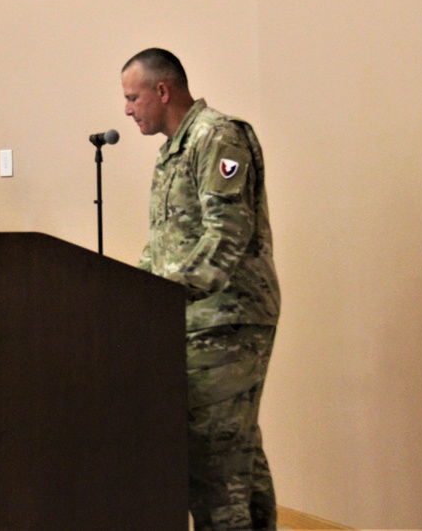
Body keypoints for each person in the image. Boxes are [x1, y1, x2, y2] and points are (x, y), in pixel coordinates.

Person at [121, 48, 281, 531]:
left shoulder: (218, 136)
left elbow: (225, 237)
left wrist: (159, 297)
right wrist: (125, 294)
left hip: (228, 317)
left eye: (133, 97)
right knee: (236, 450)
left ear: (162, 91)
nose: (127, 109)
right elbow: (163, 247)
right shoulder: (174, 151)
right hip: (195, 320)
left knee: (213, 459)